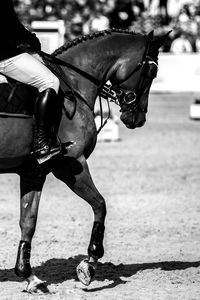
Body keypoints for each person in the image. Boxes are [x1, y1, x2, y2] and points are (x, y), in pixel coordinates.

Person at [0, 0, 66, 163]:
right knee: (50, 81)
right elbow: (12, 27)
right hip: (4, 55)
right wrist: (32, 41)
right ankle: (42, 144)